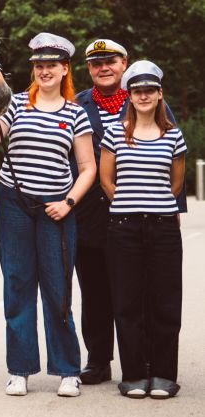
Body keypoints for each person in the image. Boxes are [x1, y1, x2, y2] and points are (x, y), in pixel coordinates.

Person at [0, 33, 96, 397]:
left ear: (65, 69)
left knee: (58, 290)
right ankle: (19, 370)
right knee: (17, 286)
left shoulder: (75, 114)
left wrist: (69, 203)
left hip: (56, 209)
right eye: (39, 66)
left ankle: (67, 370)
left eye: (51, 66)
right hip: (14, 205)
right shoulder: (15, 105)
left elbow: (88, 168)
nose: (44, 71)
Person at [73, 40, 184, 385]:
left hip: (144, 214)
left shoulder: (145, 97)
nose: (104, 68)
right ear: (89, 69)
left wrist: (173, 211)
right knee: (95, 292)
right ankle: (99, 359)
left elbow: (172, 161)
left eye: (111, 61)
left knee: (144, 290)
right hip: (90, 215)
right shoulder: (76, 104)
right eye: (96, 63)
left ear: (124, 64)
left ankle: (146, 362)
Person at [99, 60, 186, 399]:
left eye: (150, 90)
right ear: (130, 96)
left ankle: (163, 375)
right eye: (137, 91)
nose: (144, 96)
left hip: (163, 228)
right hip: (124, 228)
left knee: (166, 302)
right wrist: (129, 204)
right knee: (127, 302)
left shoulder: (173, 135)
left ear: (160, 94)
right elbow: (107, 180)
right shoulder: (115, 133)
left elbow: (175, 185)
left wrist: (154, 204)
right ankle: (134, 375)